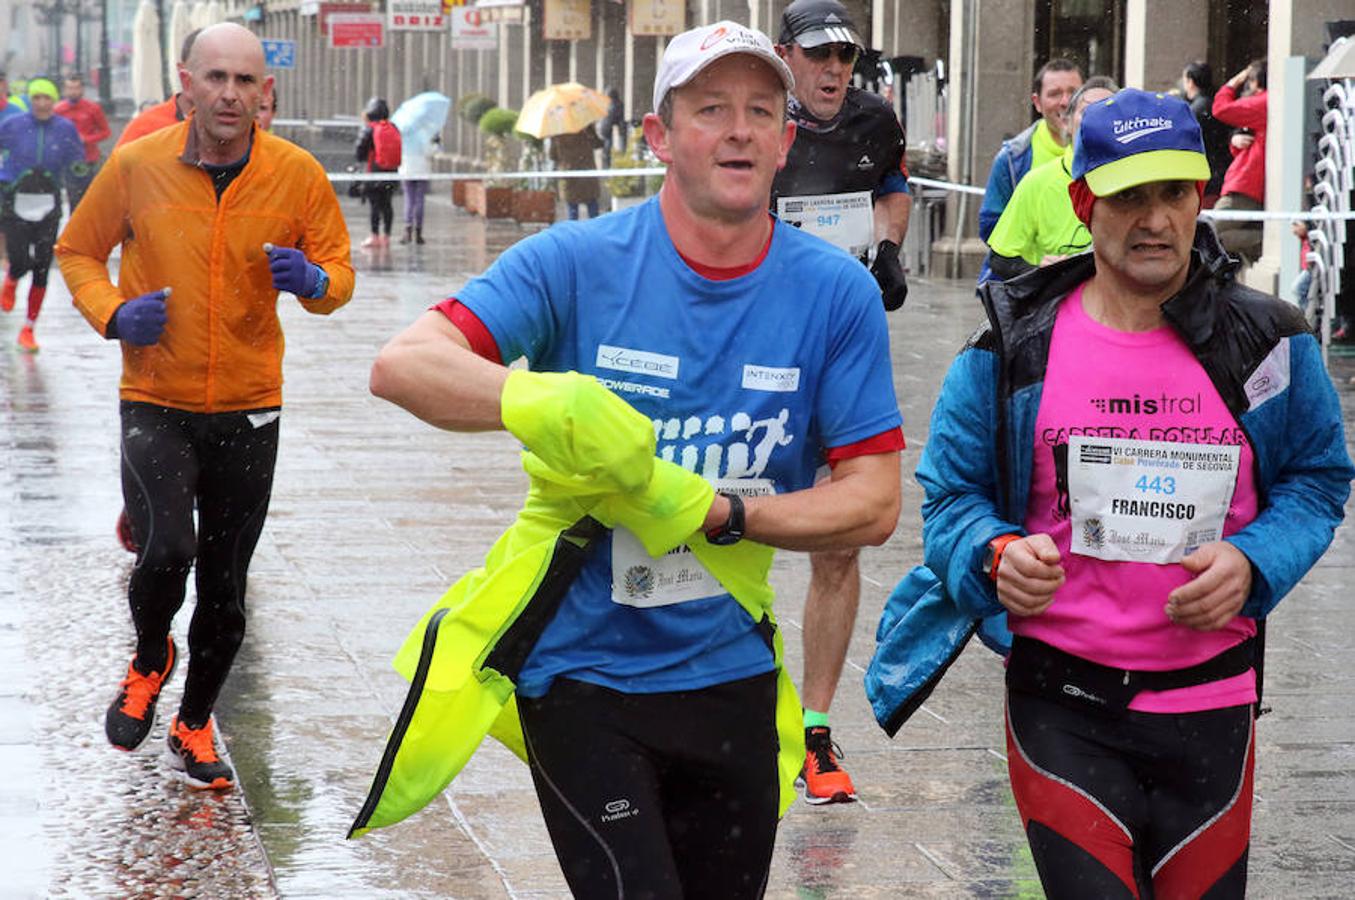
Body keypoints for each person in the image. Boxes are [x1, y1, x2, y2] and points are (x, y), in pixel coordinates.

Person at [365, 21, 902, 896]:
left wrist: (724, 515)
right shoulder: (575, 263)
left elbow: (874, 503)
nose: (738, 129)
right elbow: (403, 365)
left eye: (760, 111)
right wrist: (544, 399)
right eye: (710, 109)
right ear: (657, 136)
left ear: (785, 140)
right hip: (580, 675)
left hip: (731, 671)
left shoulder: (833, 292)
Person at [882, 88, 1352, 898]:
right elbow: (949, 500)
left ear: (1199, 196)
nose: (1155, 219)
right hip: (1062, 705)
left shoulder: (1268, 341)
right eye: (1127, 195)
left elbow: (1317, 477)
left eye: (1173, 192)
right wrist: (991, 554)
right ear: (1080, 202)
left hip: (1211, 708)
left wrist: (1253, 562)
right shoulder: (1010, 346)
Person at [56, 22, 355, 791]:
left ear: (266, 93)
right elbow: (77, 251)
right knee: (165, 553)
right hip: (155, 395)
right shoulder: (134, 166)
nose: (229, 94)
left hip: (251, 405)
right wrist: (114, 314)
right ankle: (151, 656)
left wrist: (316, 283)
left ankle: (193, 724)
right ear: (185, 82)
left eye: (245, 82)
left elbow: (339, 270)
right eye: (215, 77)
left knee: (226, 586)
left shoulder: (296, 174)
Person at [767, 0, 911, 806]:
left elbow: (891, 187)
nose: (832, 71)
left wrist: (886, 249)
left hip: (840, 350)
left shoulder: (873, 119)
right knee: (713, 527)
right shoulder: (752, 109)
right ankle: (715, 703)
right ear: (785, 54)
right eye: (818, 55)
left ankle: (814, 729)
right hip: (751, 347)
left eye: (845, 57)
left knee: (842, 537)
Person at [985, 77, 1118, 281]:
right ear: (1067, 123)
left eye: (1108, 111)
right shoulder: (1036, 182)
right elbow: (1000, 258)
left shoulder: (1136, 183)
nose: (1098, 120)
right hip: (1057, 305)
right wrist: (1040, 271)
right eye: (1088, 111)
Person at [0, 77, 86, 352]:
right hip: (16, 200)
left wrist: (81, 176)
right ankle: (12, 278)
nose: (41, 103)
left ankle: (28, 328)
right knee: (21, 259)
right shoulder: (13, 125)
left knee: (42, 266)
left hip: (49, 202)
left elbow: (77, 161)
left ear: (53, 100)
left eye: (46, 97)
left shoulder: (65, 129)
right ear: (30, 100)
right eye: (36, 97)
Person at [978, 58, 1084, 242]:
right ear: (1037, 102)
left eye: (1073, 93)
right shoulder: (1012, 159)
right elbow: (992, 228)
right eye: (1055, 94)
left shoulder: (1106, 152)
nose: (1065, 102)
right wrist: (1035, 264)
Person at [1211, 59, 1267, 263]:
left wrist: (1234, 82)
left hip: (1245, 185)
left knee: (1207, 232)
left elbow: (1220, 108)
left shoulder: (1263, 101)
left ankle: (1266, 239)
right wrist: (1235, 141)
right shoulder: (1265, 104)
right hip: (1249, 184)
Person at [116, 29, 200, 148]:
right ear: (183, 74)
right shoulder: (146, 127)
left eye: (237, 77)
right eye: (215, 76)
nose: (229, 90)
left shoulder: (234, 129)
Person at [54, 75, 111, 210]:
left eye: (76, 88)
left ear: (82, 89)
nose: (73, 91)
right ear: (65, 90)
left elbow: (105, 132)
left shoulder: (93, 109)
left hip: (89, 158)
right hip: (69, 160)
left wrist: (86, 139)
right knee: (73, 196)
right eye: (70, 88)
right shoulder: (59, 110)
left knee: (90, 197)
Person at [1181, 60, 1230, 206]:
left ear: (1190, 82)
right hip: (1219, 172)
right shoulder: (1216, 103)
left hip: (1206, 176)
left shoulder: (1195, 110)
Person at [356, 96, 399, 248]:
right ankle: (386, 236)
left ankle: (374, 236)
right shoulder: (392, 127)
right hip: (391, 172)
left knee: (374, 205)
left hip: (373, 172)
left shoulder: (369, 128)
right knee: (387, 204)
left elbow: (359, 153)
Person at [548, 124, 603, 220]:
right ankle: (595, 233)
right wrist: (591, 131)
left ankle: (574, 234)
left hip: (569, 174)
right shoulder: (586, 127)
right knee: (592, 210)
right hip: (587, 173)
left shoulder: (558, 132)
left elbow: (553, 156)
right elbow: (598, 144)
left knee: (573, 211)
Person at [398, 127, 434, 243]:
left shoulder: (404, 133)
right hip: (422, 169)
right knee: (419, 199)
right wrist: (436, 144)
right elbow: (430, 151)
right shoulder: (425, 133)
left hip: (407, 169)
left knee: (409, 199)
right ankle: (418, 231)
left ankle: (407, 230)